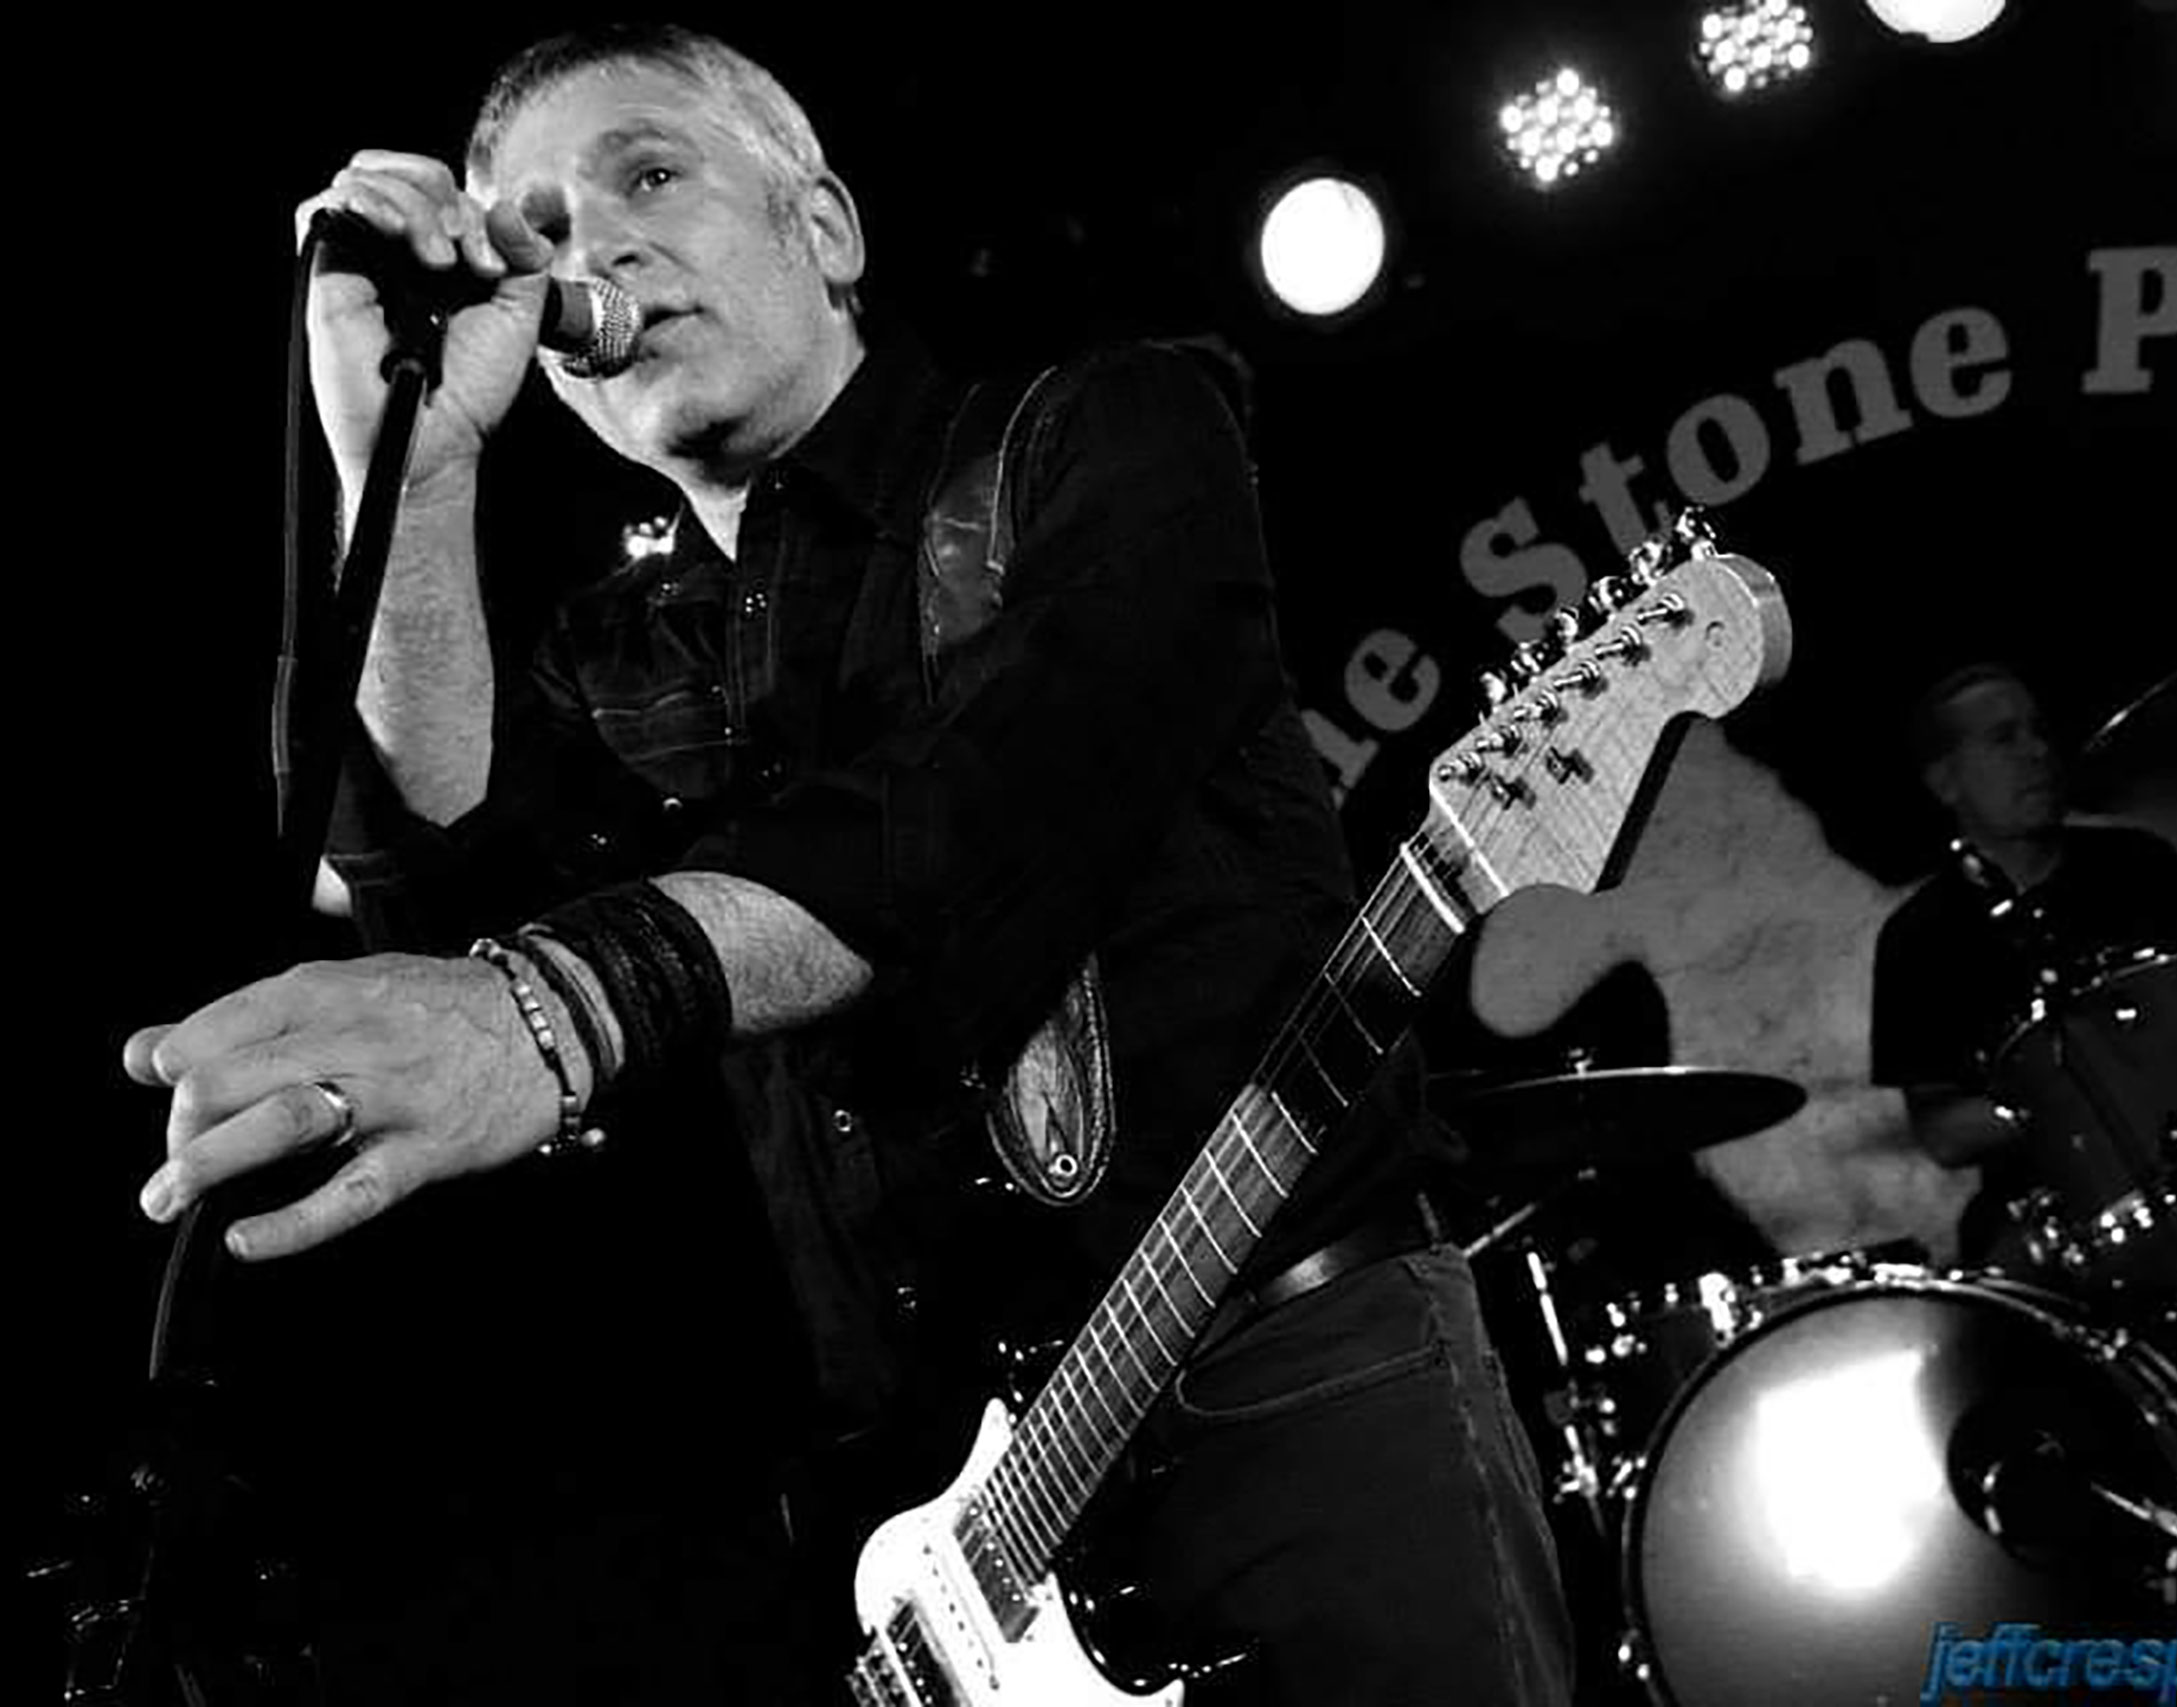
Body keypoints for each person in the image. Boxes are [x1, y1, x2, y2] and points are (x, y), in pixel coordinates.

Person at [118, 24, 1568, 1706]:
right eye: (537, 231)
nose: (592, 250)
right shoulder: (627, 650)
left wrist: (569, 1005)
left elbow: (987, 812)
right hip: (953, 1524)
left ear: (822, 228)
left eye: (645, 176)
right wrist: (408, 458)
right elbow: (427, 888)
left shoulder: (1101, 429)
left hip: (1286, 1373)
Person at [1867, 662, 2177, 1265]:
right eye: (2004, 738)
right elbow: (1942, 1134)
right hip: (2055, 1204)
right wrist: (2073, 1090)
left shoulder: (2139, 863)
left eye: (2038, 731)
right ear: (1945, 782)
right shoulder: (1919, 937)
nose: (2036, 752)